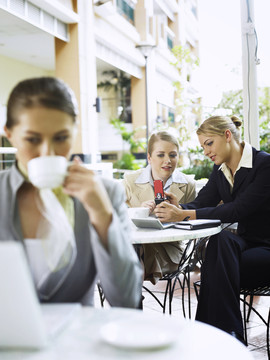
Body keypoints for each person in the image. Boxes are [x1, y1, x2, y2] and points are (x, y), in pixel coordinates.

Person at [0, 76, 143, 307]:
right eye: (32, 139)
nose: (48, 152)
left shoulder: (105, 193)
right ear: (9, 133)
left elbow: (127, 299)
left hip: (78, 339)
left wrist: (101, 214)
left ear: (75, 132)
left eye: (61, 138)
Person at [155, 115, 270, 344]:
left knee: (217, 266)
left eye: (209, 143)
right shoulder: (220, 170)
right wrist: (176, 207)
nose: (206, 152)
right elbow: (201, 204)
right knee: (221, 241)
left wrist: (184, 214)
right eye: (203, 146)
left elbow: (238, 209)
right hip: (244, 245)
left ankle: (215, 337)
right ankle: (226, 335)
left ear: (227, 135)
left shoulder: (264, 164)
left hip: (266, 247)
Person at [123, 130, 196, 284]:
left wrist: (179, 211)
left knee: (127, 257)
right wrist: (139, 211)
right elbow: (117, 216)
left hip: (169, 249)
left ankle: (130, 297)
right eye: (161, 155)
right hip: (136, 243)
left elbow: (193, 224)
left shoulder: (188, 185)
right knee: (132, 250)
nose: (167, 160)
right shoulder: (130, 181)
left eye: (173, 155)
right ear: (149, 157)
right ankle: (131, 296)